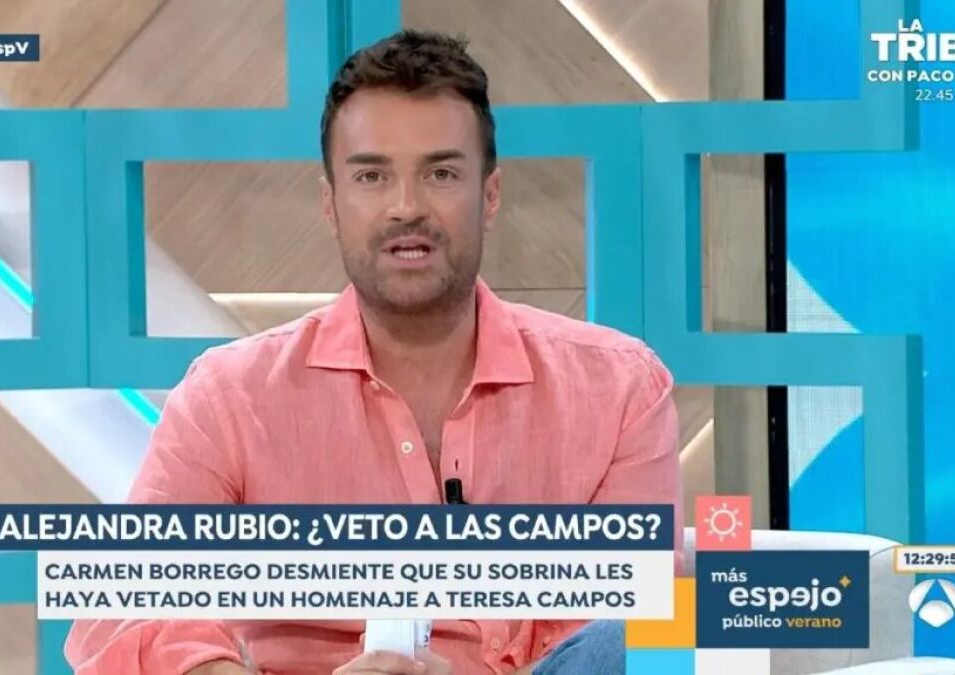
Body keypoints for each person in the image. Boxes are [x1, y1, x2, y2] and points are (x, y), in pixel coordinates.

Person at [65, 29, 681, 675]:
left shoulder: (619, 388)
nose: (406, 208)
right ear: (331, 204)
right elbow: (120, 614)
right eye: (371, 176)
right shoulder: (230, 396)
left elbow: (634, 629)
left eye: (441, 173)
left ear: (490, 196)